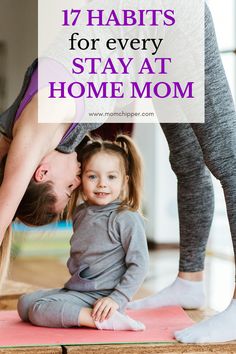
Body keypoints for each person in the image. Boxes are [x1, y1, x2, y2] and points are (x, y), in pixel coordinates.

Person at [127, 3, 236, 344]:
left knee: (227, 156)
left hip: (175, 15)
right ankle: (189, 282)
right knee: (187, 160)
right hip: (152, 35)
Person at [17, 134, 149, 330]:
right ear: (80, 179)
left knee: (38, 310)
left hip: (104, 298)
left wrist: (117, 298)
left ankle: (102, 319)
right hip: (78, 290)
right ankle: (84, 314)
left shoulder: (125, 217)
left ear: (124, 181)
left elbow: (140, 264)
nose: (102, 183)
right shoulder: (81, 212)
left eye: (111, 177)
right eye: (92, 176)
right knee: (25, 303)